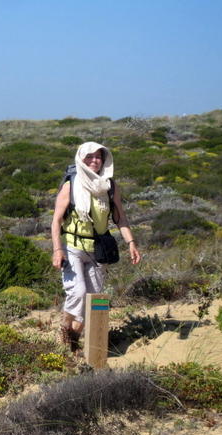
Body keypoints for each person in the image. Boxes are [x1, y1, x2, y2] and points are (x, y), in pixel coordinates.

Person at [51, 142, 141, 352]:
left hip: (98, 248)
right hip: (73, 245)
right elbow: (56, 220)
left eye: (98, 157)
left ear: (104, 160)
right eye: (89, 156)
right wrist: (58, 250)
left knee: (95, 297)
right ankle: (64, 330)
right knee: (78, 292)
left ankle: (73, 339)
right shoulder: (71, 185)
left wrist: (131, 243)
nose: (94, 160)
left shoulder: (110, 187)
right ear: (81, 159)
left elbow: (121, 218)